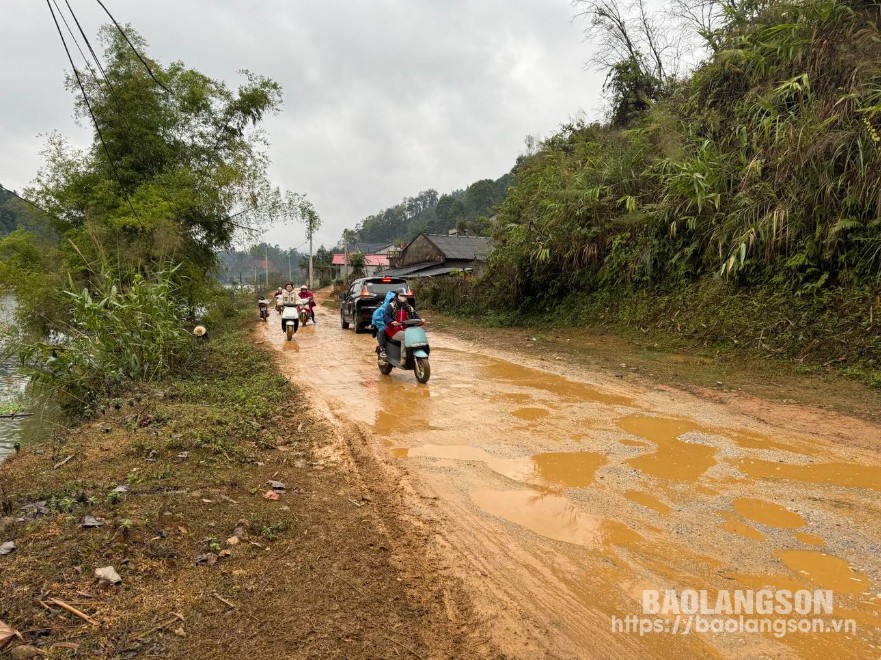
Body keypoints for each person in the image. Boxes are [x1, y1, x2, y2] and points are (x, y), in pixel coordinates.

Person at [371, 291, 396, 358]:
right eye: (392, 300)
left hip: (398, 327)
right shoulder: (382, 310)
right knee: (382, 330)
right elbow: (379, 321)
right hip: (386, 326)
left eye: (395, 300)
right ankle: (382, 348)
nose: (393, 302)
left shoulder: (401, 307)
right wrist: (389, 324)